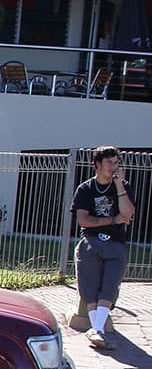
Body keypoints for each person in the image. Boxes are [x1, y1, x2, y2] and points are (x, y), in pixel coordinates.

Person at [70, 145, 136, 349]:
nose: (113, 167)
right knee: (89, 283)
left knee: (110, 284)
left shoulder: (123, 186)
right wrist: (112, 219)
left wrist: (119, 187)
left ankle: (96, 329)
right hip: (91, 241)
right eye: (109, 162)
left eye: (116, 162)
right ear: (97, 164)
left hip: (115, 243)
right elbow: (84, 220)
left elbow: (128, 214)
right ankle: (96, 329)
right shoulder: (86, 189)